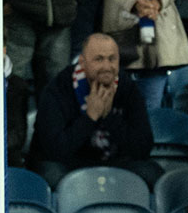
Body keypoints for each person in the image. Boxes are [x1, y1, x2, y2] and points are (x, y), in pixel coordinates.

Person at [28, 33, 161, 189]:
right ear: (82, 62)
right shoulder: (58, 89)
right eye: (99, 59)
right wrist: (90, 118)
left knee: (152, 173)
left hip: (114, 163)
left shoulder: (127, 88)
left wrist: (109, 117)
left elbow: (142, 149)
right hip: (69, 164)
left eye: (112, 59)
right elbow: (54, 151)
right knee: (51, 175)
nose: (107, 66)